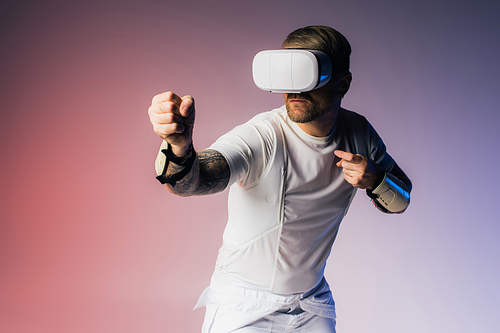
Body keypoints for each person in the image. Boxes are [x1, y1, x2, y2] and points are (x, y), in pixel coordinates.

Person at [148, 25, 412, 333]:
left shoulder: (359, 132)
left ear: (343, 83)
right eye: (288, 75)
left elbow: (401, 198)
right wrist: (178, 147)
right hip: (244, 307)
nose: (295, 89)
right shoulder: (263, 136)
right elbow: (192, 182)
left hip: (311, 304)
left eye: (307, 74)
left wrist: (376, 179)